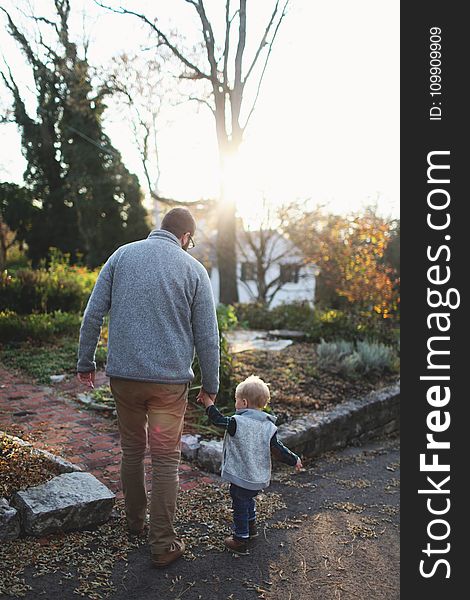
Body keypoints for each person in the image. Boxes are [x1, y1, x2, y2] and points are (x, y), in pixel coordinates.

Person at [77, 207, 220, 567]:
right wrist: (211, 385)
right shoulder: (194, 270)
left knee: (131, 451)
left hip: (125, 378)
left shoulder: (122, 255)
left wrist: (85, 363)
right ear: (186, 237)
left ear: (161, 228)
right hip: (169, 385)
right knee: (165, 460)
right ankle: (163, 543)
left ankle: (134, 522)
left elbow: (93, 313)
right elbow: (208, 336)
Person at [198, 375, 302, 555]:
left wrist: (208, 402)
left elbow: (217, 419)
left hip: (241, 475)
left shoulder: (238, 422)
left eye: (236, 400)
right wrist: (294, 459)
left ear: (244, 402)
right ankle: (251, 526)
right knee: (248, 499)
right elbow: (278, 449)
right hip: (257, 477)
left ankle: (240, 539)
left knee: (239, 502)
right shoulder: (268, 427)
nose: (235, 404)